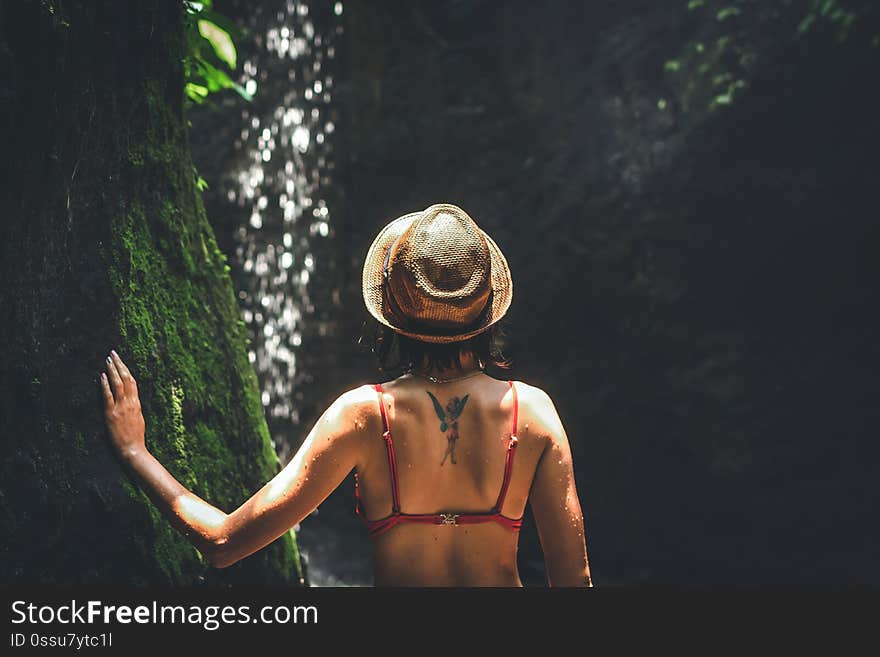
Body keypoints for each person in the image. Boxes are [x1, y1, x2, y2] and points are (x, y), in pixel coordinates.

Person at [100, 203, 592, 587]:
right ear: (487, 311)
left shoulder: (363, 416)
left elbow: (223, 542)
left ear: (392, 311)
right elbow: (574, 582)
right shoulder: (533, 413)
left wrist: (134, 451)